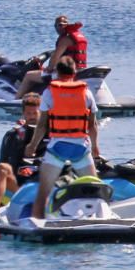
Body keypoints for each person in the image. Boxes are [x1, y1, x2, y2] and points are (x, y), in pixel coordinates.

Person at [24, 56, 99, 219]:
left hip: (57, 149)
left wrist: (32, 145)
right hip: (81, 149)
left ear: (57, 73)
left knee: (43, 193)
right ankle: (98, 220)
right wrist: (95, 148)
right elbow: (92, 125)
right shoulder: (86, 93)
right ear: (74, 72)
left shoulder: (49, 92)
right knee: (95, 189)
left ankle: (38, 222)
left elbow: (42, 124)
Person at [0, 93, 45, 214]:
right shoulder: (13, 135)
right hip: (19, 187)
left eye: (35, 113)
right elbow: (5, 162)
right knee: (3, 168)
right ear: (23, 113)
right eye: (29, 113)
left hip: (43, 184)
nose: (32, 116)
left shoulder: (52, 134)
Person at [15, 14, 88, 98]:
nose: (61, 27)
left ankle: (16, 100)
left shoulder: (65, 39)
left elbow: (55, 57)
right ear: (55, 26)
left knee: (29, 75)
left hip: (64, 73)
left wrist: (49, 68)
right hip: (79, 70)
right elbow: (62, 54)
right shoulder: (78, 36)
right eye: (60, 25)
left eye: (63, 25)